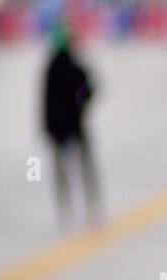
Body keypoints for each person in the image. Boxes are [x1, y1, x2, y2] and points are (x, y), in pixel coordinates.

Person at [42, 24, 100, 230]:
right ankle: (87, 208)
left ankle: (71, 210)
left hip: (61, 127)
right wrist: (80, 106)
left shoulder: (53, 68)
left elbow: (45, 103)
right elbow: (89, 89)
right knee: (80, 167)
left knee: (69, 169)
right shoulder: (68, 67)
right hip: (71, 125)